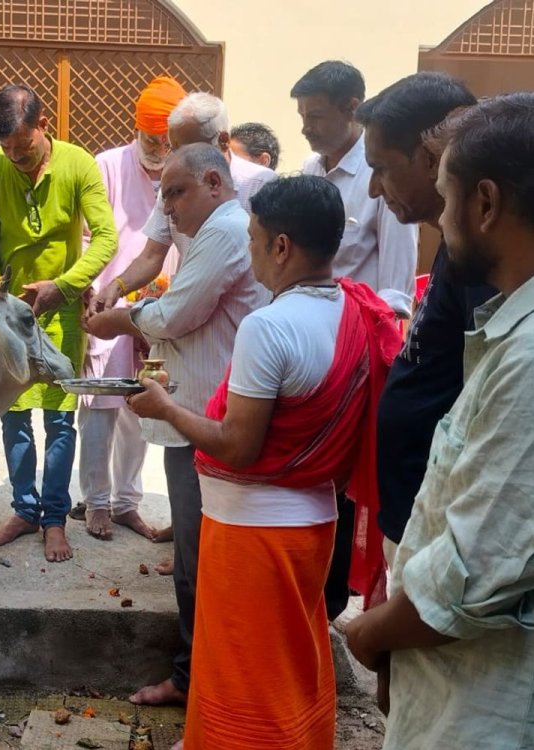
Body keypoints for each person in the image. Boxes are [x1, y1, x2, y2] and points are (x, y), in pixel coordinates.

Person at [128, 174, 400, 750]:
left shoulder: (270, 326)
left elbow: (236, 445)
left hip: (255, 529)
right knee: (291, 655)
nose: (248, 251)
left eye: (253, 238)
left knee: (245, 667)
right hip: (312, 521)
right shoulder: (354, 308)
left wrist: (167, 409)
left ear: (282, 246)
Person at [346, 92, 534, 749]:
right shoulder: (510, 323)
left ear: (484, 204)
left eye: (448, 194)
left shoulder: (528, 354)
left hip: (478, 690)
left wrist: (376, 630)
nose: (441, 216)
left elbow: (478, 565)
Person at [84, 144, 270, 707]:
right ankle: (197, 679)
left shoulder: (224, 230)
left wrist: (118, 320)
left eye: (174, 192)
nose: (165, 206)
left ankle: (201, 685)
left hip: (209, 425)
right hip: (197, 416)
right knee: (192, 563)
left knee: (200, 566)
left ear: (214, 182)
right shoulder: (211, 229)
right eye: (162, 193)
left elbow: (174, 315)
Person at [291, 60, 419, 618]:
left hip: (353, 352)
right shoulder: (307, 170)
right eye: (301, 117)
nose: (307, 129)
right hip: (302, 341)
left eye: (316, 116)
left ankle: (329, 599)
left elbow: (394, 290)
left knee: (342, 484)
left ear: (351, 108)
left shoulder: (379, 183)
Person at [0, 84, 117, 562]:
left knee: (58, 420)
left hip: (63, 313)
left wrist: (64, 286)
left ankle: (54, 519)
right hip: (9, 312)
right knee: (12, 415)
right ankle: (24, 509)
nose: (15, 157)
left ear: (44, 126)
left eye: (24, 147)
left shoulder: (79, 164)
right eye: (6, 149)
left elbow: (105, 240)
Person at [354, 72, 493, 564]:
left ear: (433, 159)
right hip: (417, 516)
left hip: (446, 538)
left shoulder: (488, 265)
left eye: (383, 168)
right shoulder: (454, 247)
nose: (373, 189)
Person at [77, 75, 186, 542]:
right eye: (150, 140)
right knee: (100, 405)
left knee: (143, 408)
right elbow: (88, 236)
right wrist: (95, 291)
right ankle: (97, 504)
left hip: (161, 305)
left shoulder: (184, 172)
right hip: (108, 300)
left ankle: (126, 503)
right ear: (135, 129)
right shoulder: (107, 165)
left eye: (166, 142)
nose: (158, 150)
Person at [90, 92, 276, 314]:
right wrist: (116, 287)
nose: (176, 157)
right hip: (188, 324)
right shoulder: (173, 188)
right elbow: (152, 255)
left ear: (223, 140)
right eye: (174, 148)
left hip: (242, 322)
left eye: (188, 149)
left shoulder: (262, 185)